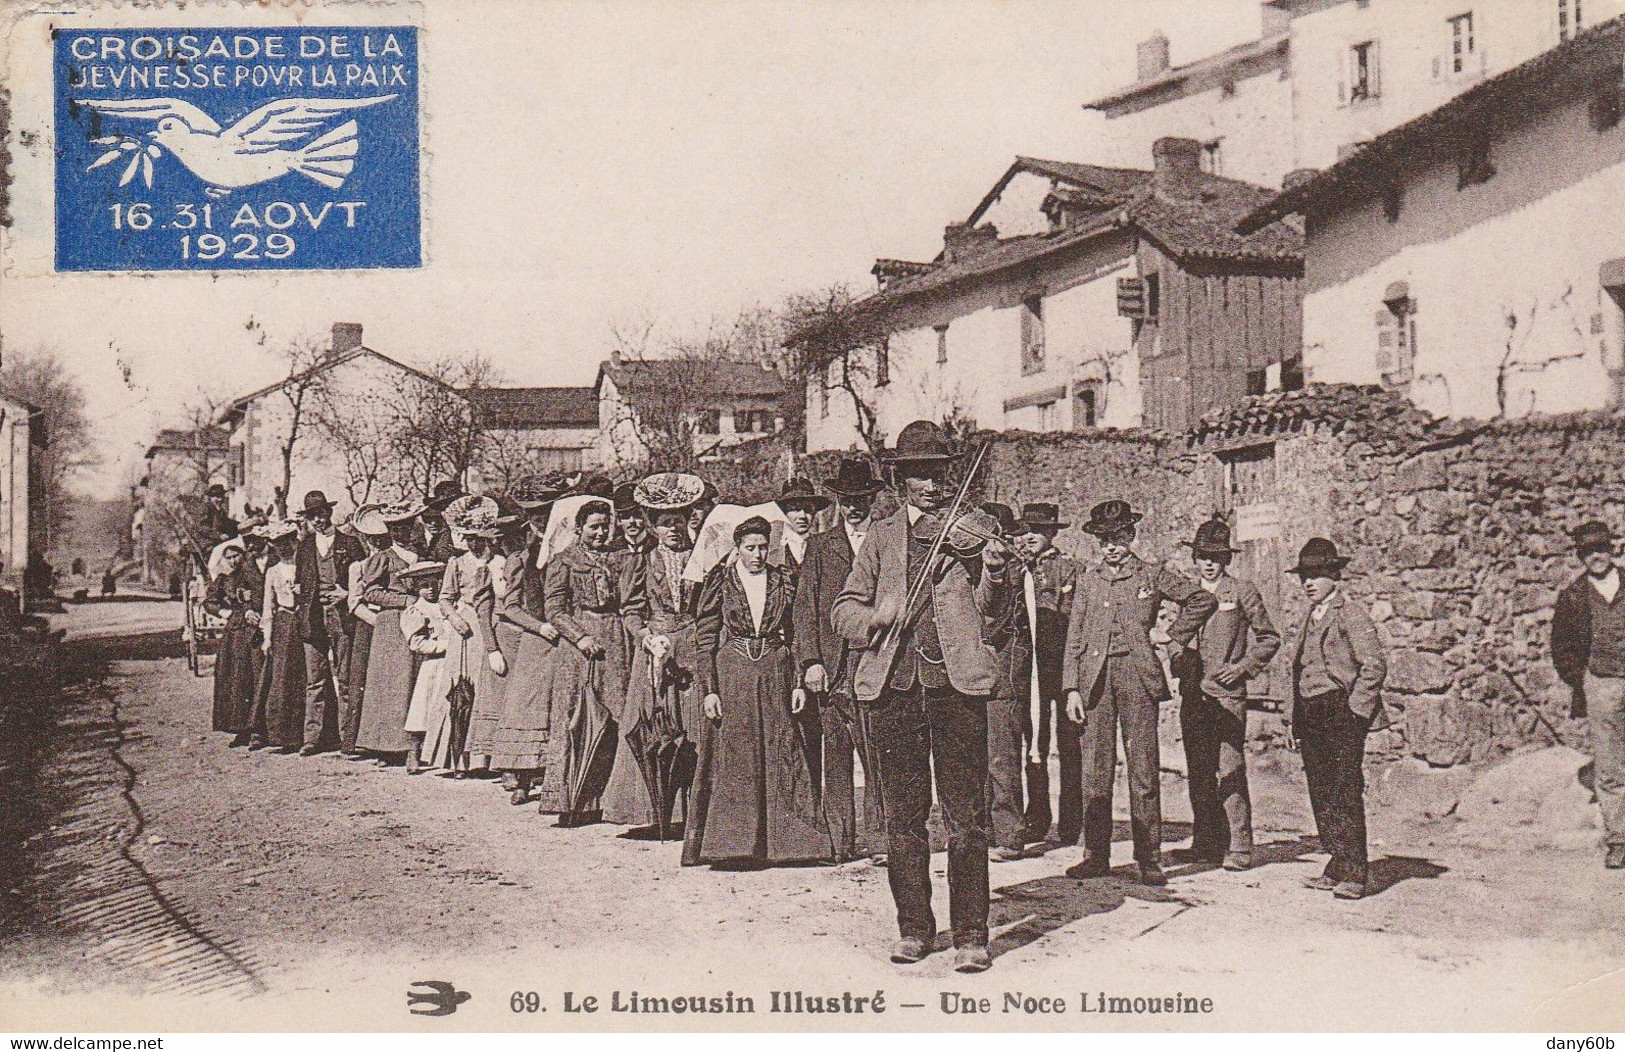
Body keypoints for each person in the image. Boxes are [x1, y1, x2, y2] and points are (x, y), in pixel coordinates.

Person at [831, 420, 1012, 974]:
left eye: (939, 475)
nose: (932, 487)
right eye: (920, 477)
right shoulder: (882, 537)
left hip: (956, 689)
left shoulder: (973, 531)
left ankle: (972, 934)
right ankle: (914, 927)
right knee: (903, 817)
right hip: (894, 687)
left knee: (966, 816)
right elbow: (843, 609)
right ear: (902, 480)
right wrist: (874, 618)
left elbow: (995, 615)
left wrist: (996, 574)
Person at [1061, 499, 1217, 887]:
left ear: (1131, 536)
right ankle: (1096, 855)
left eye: (1118, 538)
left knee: (1143, 770)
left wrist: (1173, 633)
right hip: (1094, 680)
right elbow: (1074, 636)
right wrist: (1071, 689)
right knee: (1094, 771)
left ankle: (1149, 858)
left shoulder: (1152, 576)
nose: (1111, 546)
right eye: (1104, 540)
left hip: (1137, 678)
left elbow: (1202, 599)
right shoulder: (1089, 578)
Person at [683, 516, 831, 866]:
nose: (757, 554)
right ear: (737, 549)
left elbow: (795, 633)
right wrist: (709, 690)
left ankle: (787, 846)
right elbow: (705, 639)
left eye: (763, 547)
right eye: (750, 548)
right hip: (732, 673)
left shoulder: (782, 580)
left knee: (781, 750)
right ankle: (734, 846)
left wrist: (798, 683)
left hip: (775, 671)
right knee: (736, 756)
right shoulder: (721, 582)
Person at [792, 457, 888, 864]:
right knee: (836, 757)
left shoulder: (887, 540)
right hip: (832, 669)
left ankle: (882, 840)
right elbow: (805, 609)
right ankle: (840, 842)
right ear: (837, 501)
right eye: (846, 500)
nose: (853, 507)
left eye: (861, 498)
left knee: (879, 753)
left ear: (872, 498)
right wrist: (811, 661)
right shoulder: (820, 545)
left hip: (876, 661)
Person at [1172, 515, 1280, 871]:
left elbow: (1269, 638)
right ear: (1195, 558)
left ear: (1227, 560)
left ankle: (1239, 844)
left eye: (1216, 557)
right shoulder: (1188, 595)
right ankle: (1206, 842)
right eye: (1203, 555)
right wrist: (1178, 660)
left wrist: (1242, 668)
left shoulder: (1242, 591)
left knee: (1229, 767)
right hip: (1193, 695)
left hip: (1226, 695)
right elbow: (1175, 638)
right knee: (1199, 770)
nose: (1209, 562)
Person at [1286, 537, 1388, 900]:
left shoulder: (1349, 614)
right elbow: (1297, 670)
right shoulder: (1308, 617)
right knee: (1320, 790)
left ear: (1334, 575)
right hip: (1311, 712)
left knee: (1345, 788)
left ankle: (1356, 872)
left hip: (1340, 710)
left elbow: (1374, 665)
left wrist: (1356, 712)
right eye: (1304, 577)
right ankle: (1337, 861)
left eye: (1316, 575)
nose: (1309, 583)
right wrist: (1293, 719)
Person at [618, 473, 708, 830]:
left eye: (679, 522)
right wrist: (644, 635)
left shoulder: (702, 558)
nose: (673, 529)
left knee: (694, 724)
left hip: (692, 643)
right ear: (653, 527)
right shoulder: (641, 561)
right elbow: (630, 609)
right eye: (665, 523)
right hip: (656, 648)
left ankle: (693, 810)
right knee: (656, 722)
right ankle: (656, 811)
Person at [545, 499, 631, 825]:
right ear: (579, 529)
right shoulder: (563, 561)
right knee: (574, 718)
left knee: (617, 714)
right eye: (593, 527)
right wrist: (579, 637)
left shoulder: (619, 559)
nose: (599, 533)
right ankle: (571, 802)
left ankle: (611, 800)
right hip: (577, 646)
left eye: (604, 527)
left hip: (615, 638)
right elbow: (554, 610)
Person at [488, 476, 568, 809]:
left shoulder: (566, 550)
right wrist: (538, 627)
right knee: (526, 707)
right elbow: (508, 607)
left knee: (559, 708)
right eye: (534, 514)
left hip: (566, 637)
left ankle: (555, 777)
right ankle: (519, 777)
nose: (540, 520)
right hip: (538, 641)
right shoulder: (521, 557)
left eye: (545, 512)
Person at [1552, 520, 1625, 869]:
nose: (1596, 556)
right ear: (1581, 556)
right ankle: (1619, 841)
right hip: (1601, 684)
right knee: (1610, 766)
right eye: (1588, 551)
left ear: (1613, 549)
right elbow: (1561, 647)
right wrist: (1582, 681)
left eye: (1601, 548)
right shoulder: (1573, 596)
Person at [1010, 501, 1081, 848]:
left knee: (1070, 744)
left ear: (1052, 534)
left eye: (1038, 531)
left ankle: (1072, 821)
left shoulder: (1070, 569)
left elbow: (1073, 620)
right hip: (1030, 669)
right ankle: (1037, 816)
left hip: (1063, 666)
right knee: (1033, 744)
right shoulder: (1015, 569)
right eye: (1026, 531)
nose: (1030, 537)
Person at [437, 496, 508, 774]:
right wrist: (455, 618)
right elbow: (445, 598)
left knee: (490, 688)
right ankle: (461, 760)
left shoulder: (499, 561)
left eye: (478, 537)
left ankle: (488, 758)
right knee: (461, 690)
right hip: (466, 631)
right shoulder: (456, 563)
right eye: (468, 538)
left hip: (493, 625)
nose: (473, 543)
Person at [293, 490, 364, 756]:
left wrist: (346, 593)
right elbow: (300, 581)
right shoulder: (305, 546)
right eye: (312, 516)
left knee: (345, 678)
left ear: (329, 512)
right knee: (316, 679)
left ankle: (348, 737)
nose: (318, 520)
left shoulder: (350, 543)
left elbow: (364, 580)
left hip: (342, 618)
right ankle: (313, 737)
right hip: (313, 619)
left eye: (321, 514)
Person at [978, 501, 1029, 863]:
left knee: (1001, 756)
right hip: (974, 673)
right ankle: (981, 828)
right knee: (972, 755)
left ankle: (1009, 834)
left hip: (1002, 674)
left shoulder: (1010, 571)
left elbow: (992, 623)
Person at [354, 504, 424, 757]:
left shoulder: (421, 554)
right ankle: (388, 744)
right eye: (396, 528)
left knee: (417, 679)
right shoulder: (382, 557)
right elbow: (371, 592)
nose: (402, 533)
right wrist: (404, 600)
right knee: (394, 681)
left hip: (420, 619)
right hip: (392, 623)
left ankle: (415, 744)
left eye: (406, 527)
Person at [341, 507, 392, 758]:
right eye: (373, 540)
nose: (377, 544)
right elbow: (354, 603)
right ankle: (354, 740)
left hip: (391, 625)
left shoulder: (393, 560)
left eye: (382, 539)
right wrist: (377, 621)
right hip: (368, 625)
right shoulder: (358, 567)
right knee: (359, 680)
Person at [253, 521, 306, 751]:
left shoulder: (304, 565)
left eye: (287, 542)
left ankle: (309, 733)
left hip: (303, 621)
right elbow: (268, 607)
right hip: (284, 624)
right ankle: (283, 735)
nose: (284, 548)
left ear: (294, 541)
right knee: (282, 677)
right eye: (278, 545)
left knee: (306, 675)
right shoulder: (273, 572)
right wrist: (267, 636)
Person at [204, 541, 263, 747]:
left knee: (257, 675)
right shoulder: (223, 580)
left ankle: (258, 728)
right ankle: (241, 728)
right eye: (228, 558)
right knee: (237, 678)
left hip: (256, 629)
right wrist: (225, 612)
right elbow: (210, 602)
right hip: (235, 634)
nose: (233, 561)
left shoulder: (254, 572)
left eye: (236, 555)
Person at [400, 561, 458, 774]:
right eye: (424, 585)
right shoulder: (416, 610)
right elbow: (416, 643)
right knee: (423, 708)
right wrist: (442, 646)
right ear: (416, 588)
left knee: (451, 708)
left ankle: (448, 757)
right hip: (433, 665)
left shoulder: (450, 606)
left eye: (434, 583)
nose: (430, 589)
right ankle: (413, 752)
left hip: (453, 664)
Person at [775, 477, 829, 570]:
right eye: (796, 509)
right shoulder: (772, 548)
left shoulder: (825, 548)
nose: (802, 516)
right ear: (784, 512)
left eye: (808, 510)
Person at [420, 481, 465, 562]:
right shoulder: (439, 536)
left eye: (454, 505)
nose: (450, 510)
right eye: (444, 508)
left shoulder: (476, 529)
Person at [612, 482, 655, 556]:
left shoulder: (656, 545)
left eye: (637, 515)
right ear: (619, 520)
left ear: (646, 517)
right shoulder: (612, 548)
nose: (632, 521)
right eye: (625, 516)